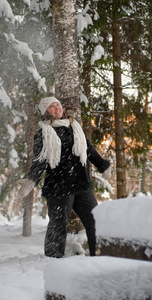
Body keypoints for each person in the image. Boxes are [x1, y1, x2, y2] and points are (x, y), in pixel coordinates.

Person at [18, 96, 111, 258]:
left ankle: (98, 255)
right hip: (58, 187)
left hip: (81, 184)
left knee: (95, 220)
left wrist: (102, 164)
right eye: (51, 107)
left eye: (58, 105)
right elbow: (40, 160)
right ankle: (53, 258)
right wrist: (31, 180)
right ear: (46, 112)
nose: (57, 108)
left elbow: (88, 149)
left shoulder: (75, 127)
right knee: (58, 225)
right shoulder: (44, 134)